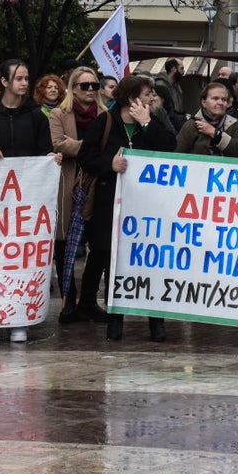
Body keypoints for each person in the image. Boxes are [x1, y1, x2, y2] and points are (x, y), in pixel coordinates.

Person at [78, 74, 177, 342]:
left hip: (148, 207)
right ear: (133, 98)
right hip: (112, 205)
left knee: (150, 263)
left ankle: (156, 322)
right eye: (147, 94)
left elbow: (170, 148)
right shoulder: (106, 121)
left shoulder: (153, 123)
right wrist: (109, 164)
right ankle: (115, 321)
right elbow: (87, 156)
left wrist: (146, 124)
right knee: (115, 261)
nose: (152, 99)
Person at [0, 58, 57, 344]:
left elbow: (45, 153)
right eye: (19, 78)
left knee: (20, 261)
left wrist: (51, 161)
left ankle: (19, 317)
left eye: (27, 78)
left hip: (26, 204)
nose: (24, 83)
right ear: (4, 81)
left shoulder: (37, 116)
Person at [50, 67, 109, 323]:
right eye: (84, 85)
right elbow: (56, 144)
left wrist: (77, 147)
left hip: (99, 184)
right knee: (64, 245)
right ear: (73, 88)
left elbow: (110, 148)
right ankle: (68, 301)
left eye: (94, 86)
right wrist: (91, 146)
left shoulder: (107, 115)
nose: (89, 90)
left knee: (100, 245)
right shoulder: (58, 114)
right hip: (69, 185)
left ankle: (88, 300)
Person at [177, 81, 238, 157]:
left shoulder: (234, 124)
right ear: (204, 102)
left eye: (224, 100)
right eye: (215, 98)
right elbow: (177, 154)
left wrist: (216, 134)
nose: (220, 102)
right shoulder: (192, 124)